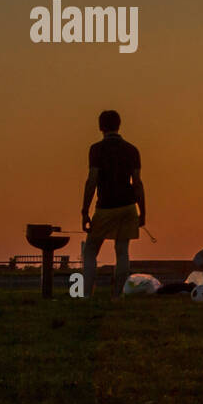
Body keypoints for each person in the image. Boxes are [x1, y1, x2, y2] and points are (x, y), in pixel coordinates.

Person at [81, 110, 145, 297]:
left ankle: (86, 293)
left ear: (101, 126)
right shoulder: (132, 150)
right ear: (119, 125)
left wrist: (85, 210)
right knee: (122, 250)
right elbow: (138, 183)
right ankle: (119, 294)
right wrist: (143, 211)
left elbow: (92, 180)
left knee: (91, 249)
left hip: (106, 206)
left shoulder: (96, 149)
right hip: (128, 206)